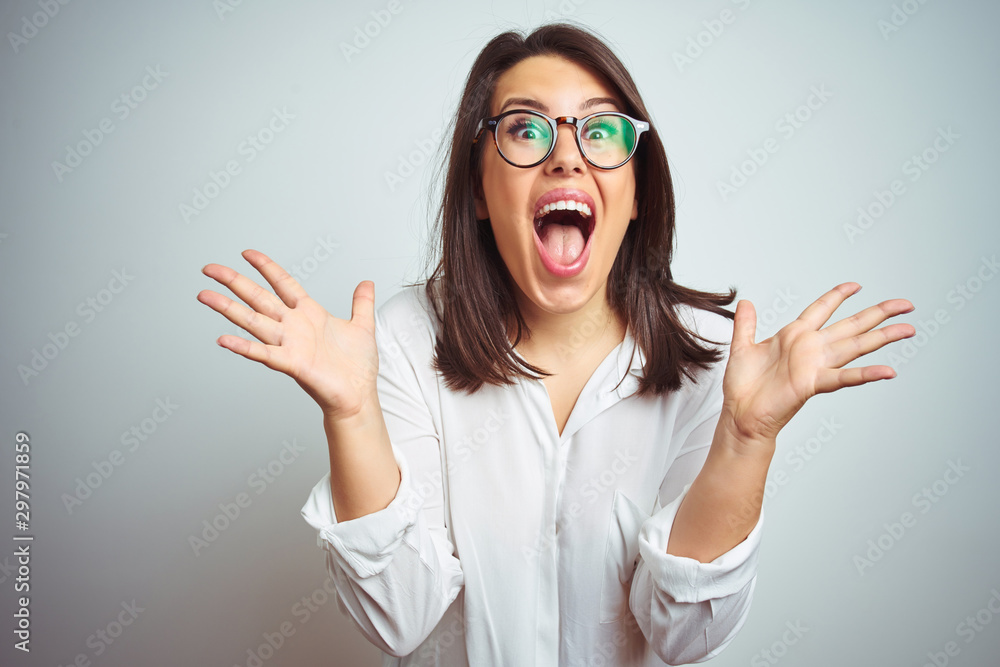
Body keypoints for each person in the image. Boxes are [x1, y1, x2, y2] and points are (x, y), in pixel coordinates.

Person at [197, 22, 915, 667]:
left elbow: (684, 634)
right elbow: (400, 616)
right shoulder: (405, 340)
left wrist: (747, 436)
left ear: (636, 190)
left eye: (600, 132)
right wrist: (350, 415)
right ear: (478, 186)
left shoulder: (718, 365)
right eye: (526, 130)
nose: (567, 157)